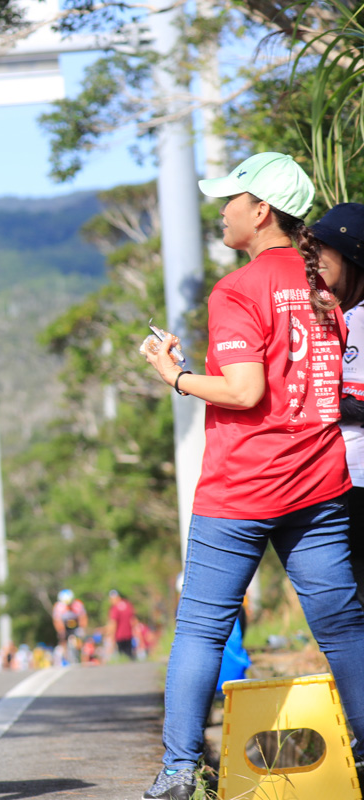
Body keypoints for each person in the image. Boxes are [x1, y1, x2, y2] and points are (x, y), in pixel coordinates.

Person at [139, 153, 364, 800]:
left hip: (242, 487)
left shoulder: (237, 289)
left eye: (230, 199)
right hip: (319, 482)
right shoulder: (326, 283)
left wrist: (174, 375)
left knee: (202, 627)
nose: (221, 209)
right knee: (343, 623)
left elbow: (243, 390)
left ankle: (182, 769)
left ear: (261, 211)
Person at [313, 204, 364, 609]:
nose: (313, 258)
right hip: (342, 477)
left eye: (323, 248)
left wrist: (309, 399)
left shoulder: (361, 318)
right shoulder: (343, 315)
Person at [51, 589, 88, 664]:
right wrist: (61, 631)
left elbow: (83, 618)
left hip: (76, 624)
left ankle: (82, 658)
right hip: (64, 625)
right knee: (62, 639)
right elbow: (57, 621)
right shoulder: (58, 607)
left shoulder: (78, 604)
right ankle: (64, 658)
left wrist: (82, 628)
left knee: (80, 640)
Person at [106, 589, 138, 660]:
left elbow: (113, 623)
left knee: (123, 657)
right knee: (130, 656)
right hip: (129, 635)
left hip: (119, 636)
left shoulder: (115, 608)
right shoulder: (128, 605)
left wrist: (111, 636)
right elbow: (133, 620)